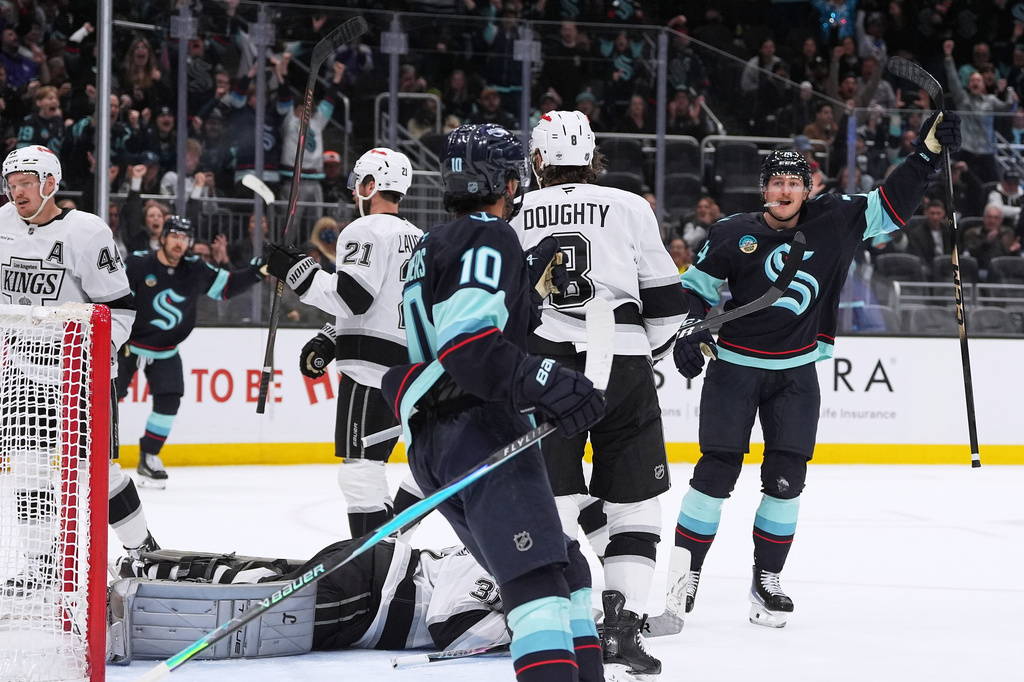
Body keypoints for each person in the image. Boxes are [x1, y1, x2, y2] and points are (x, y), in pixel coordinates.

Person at [664, 111, 961, 629]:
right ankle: (684, 575)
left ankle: (766, 580)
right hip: (734, 369)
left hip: (796, 373)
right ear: (763, 190)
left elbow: (892, 203)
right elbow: (695, 289)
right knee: (715, 473)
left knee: (786, 480)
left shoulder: (838, 217)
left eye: (793, 183)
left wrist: (927, 154)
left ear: (808, 188)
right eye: (775, 182)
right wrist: (690, 326)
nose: (784, 190)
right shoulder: (732, 232)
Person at [378, 124, 606, 682]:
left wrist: (528, 284)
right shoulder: (490, 235)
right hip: (478, 427)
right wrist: (545, 379)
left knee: (566, 568)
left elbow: (455, 330)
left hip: (436, 443)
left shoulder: (435, 241)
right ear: (507, 180)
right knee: (536, 581)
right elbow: (468, 345)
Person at [511, 111, 688, 679]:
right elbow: (667, 302)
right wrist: (647, 353)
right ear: (592, 156)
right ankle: (625, 625)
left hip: (549, 367)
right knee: (634, 501)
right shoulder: (632, 206)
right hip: (626, 362)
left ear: (539, 159)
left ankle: (563, 622)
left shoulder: (517, 214)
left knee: (554, 499)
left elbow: (510, 309)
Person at [0, 145, 159, 594]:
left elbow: (122, 310)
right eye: (11, 185)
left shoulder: (86, 233)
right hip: (27, 369)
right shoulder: (2, 226)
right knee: (28, 468)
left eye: (26, 183)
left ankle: (143, 551)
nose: (17, 193)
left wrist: (92, 357)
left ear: (50, 183)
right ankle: (40, 565)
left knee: (101, 474)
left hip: (80, 374)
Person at [263, 148, 424, 538]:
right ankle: (394, 542)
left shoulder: (364, 230)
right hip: (412, 370)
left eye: (360, 183)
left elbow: (354, 297)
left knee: (360, 473)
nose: (355, 192)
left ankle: (376, 560)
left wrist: (297, 272)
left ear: (371, 185)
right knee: (420, 469)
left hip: (371, 372)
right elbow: (386, 304)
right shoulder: (419, 238)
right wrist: (332, 336)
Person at [111, 537, 511, 660]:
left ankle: (160, 567)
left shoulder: (504, 555)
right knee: (256, 607)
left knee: (271, 585)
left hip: (365, 585)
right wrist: (519, 620)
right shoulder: (496, 562)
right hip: (367, 593)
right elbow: (450, 630)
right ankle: (146, 587)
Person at [115, 215, 266, 488]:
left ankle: (149, 456)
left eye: (184, 238)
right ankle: (98, 458)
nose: (179, 243)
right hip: (128, 347)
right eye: (174, 236)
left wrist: (257, 272)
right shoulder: (138, 264)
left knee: (169, 401)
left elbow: (226, 287)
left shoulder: (194, 268)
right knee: (108, 401)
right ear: (162, 238)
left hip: (166, 350)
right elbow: (115, 298)